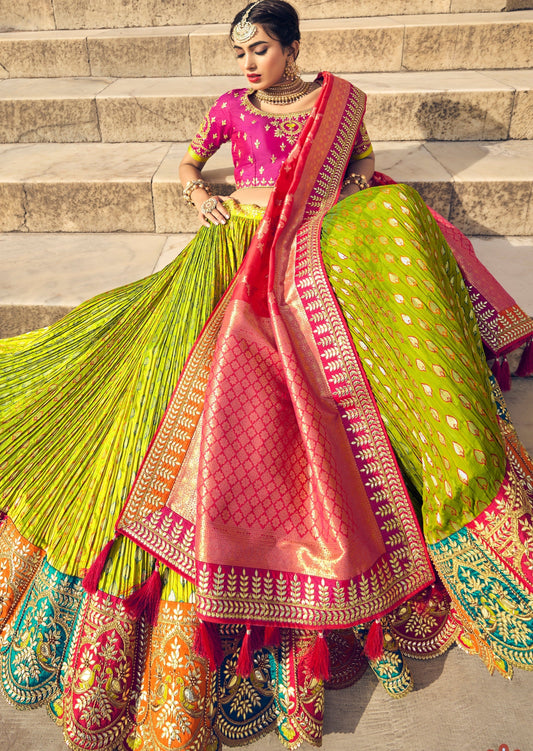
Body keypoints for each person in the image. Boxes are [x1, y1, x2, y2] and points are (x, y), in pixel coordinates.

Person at [0, 2, 532, 750]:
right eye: (239, 52)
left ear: (290, 47)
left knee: (366, 295)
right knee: (186, 369)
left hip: (309, 236)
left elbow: (357, 166)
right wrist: (198, 192)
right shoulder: (227, 107)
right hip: (240, 240)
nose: (247, 64)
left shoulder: (339, 102)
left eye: (259, 49)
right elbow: (191, 158)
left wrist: (337, 208)